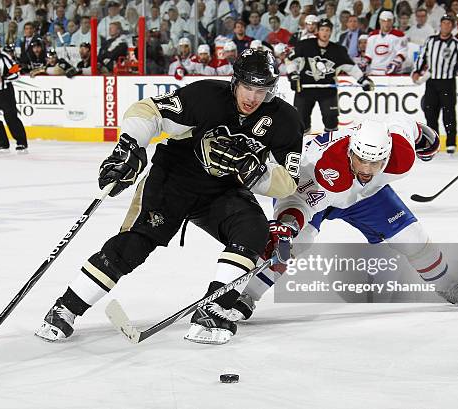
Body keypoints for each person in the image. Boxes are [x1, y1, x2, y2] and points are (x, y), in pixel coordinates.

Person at [35, 49, 304, 345]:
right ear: (234, 81)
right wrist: (129, 146)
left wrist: (255, 173)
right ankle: (65, 309)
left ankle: (213, 310)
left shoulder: (285, 120)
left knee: (254, 231)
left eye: (261, 90)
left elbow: (288, 182)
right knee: (133, 245)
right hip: (172, 182)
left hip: (223, 191)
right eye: (248, 87)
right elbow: (148, 111)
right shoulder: (205, 96)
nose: (252, 98)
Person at [229, 116, 458, 324]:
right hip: (309, 186)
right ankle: (247, 295)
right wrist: (289, 224)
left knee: (413, 237)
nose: (367, 170)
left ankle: (446, 283)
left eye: (376, 163)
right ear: (350, 151)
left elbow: (404, 124)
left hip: (364, 196)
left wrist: (425, 134)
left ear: (388, 155)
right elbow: (299, 201)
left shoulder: (401, 153)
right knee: (293, 243)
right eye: (361, 160)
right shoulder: (327, 169)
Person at [286, 18, 374, 133]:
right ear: (317, 31)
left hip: (327, 91)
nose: (325, 33)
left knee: (331, 121)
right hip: (305, 90)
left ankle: (330, 147)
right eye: (322, 29)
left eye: (327, 30)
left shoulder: (338, 50)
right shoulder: (304, 45)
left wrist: (363, 81)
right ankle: (302, 147)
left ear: (331, 32)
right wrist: (293, 75)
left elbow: (351, 68)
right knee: (301, 123)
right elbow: (290, 60)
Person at [412, 14, 458, 155]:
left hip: (447, 82)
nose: (447, 26)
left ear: (452, 26)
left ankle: (451, 143)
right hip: (432, 82)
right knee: (430, 113)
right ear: (441, 25)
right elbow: (422, 56)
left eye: (449, 23)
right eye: (444, 23)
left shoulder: (456, 44)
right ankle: (433, 143)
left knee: (449, 114)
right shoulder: (431, 41)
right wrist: (417, 71)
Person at [364, 11, 408, 75]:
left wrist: (395, 63)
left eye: (389, 21)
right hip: (373, 71)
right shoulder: (372, 35)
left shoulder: (399, 35)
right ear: (379, 21)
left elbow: (402, 52)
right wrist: (363, 62)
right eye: (384, 21)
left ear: (393, 21)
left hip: (390, 70)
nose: (386, 23)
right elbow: (369, 54)